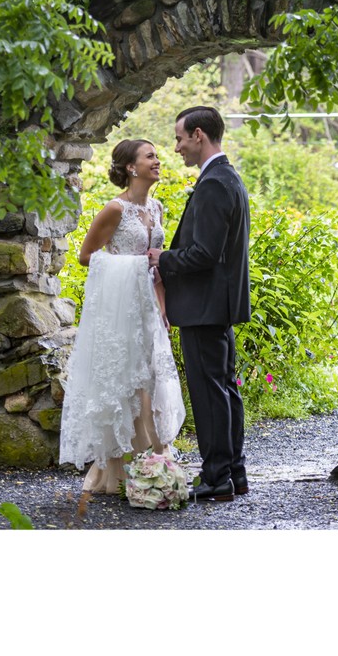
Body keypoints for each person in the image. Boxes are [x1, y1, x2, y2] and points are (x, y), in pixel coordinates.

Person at [58, 139, 185, 497]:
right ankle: (117, 472)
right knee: (125, 381)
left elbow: (156, 265)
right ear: (131, 167)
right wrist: (134, 265)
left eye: (157, 156)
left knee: (150, 379)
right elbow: (86, 256)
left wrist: (163, 308)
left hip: (148, 310)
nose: (158, 161)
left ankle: (153, 465)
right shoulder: (115, 209)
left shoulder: (157, 208)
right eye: (150, 156)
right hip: (119, 313)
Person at [148, 106, 251, 503]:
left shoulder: (212, 184)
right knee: (224, 389)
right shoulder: (227, 178)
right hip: (217, 305)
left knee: (211, 394)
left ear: (199, 135)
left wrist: (163, 259)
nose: (176, 148)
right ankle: (233, 473)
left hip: (204, 305)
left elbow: (204, 253)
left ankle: (216, 478)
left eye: (179, 138)